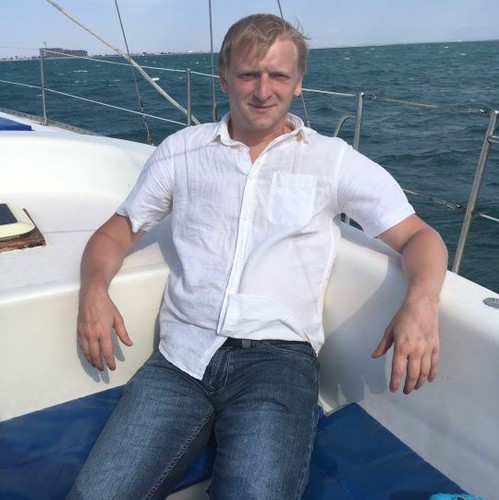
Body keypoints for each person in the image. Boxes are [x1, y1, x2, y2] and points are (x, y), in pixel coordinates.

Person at [68, 13, 448, 500]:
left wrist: (420, 303)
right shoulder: (181, 152)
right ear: (224, 77)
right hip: (180, 359)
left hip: (278, 362)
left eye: (278, 76)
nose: (263, 91)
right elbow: (114, 233)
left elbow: (419, 237)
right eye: (249, 74)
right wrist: (94, 291)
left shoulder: (331, 160)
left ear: (298, 82)